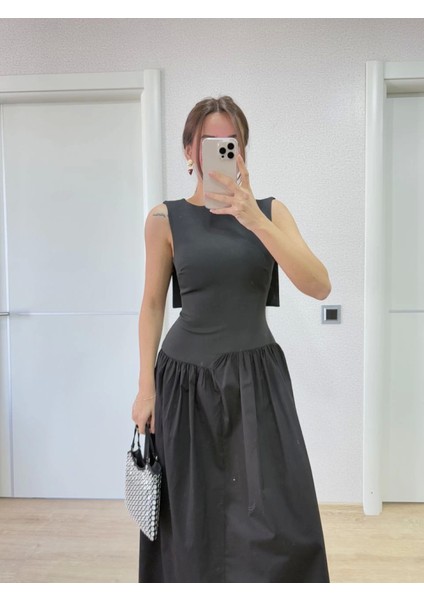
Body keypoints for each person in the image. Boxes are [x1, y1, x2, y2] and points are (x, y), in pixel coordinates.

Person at [132, 95, 331, 583]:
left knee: (276, 516)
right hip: (184, 383)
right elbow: (153, 304)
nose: (221, 150)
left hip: (255, 381)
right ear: (190, 151)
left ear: (242, 150)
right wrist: (145, 387)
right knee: (191, 516)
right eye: (209, 142)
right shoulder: (163, 219)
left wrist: (253, 219)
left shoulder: (271, 212)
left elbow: (318, 284)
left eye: (231, 141)